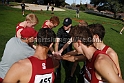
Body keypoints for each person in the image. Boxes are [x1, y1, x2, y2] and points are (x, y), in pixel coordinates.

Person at [58, 25, 124, 83]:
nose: (73, 45)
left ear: (78, 43)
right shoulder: (89, 56)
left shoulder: (100, 62)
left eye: (73, 42)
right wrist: (61, 57)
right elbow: (74, 58)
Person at [55, 17, 79, 83]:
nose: (64, 26)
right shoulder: (60, 30)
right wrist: (57, 52)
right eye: (64, 24)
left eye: (66, 25)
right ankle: (58, 72)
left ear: (70, 25)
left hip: (68, 45)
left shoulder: (73, 30)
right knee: (58, 60)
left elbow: (69, 42)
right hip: (61, 44)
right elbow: (57, 42)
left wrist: (62, 50)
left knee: (68, 58)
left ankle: (68, 71)